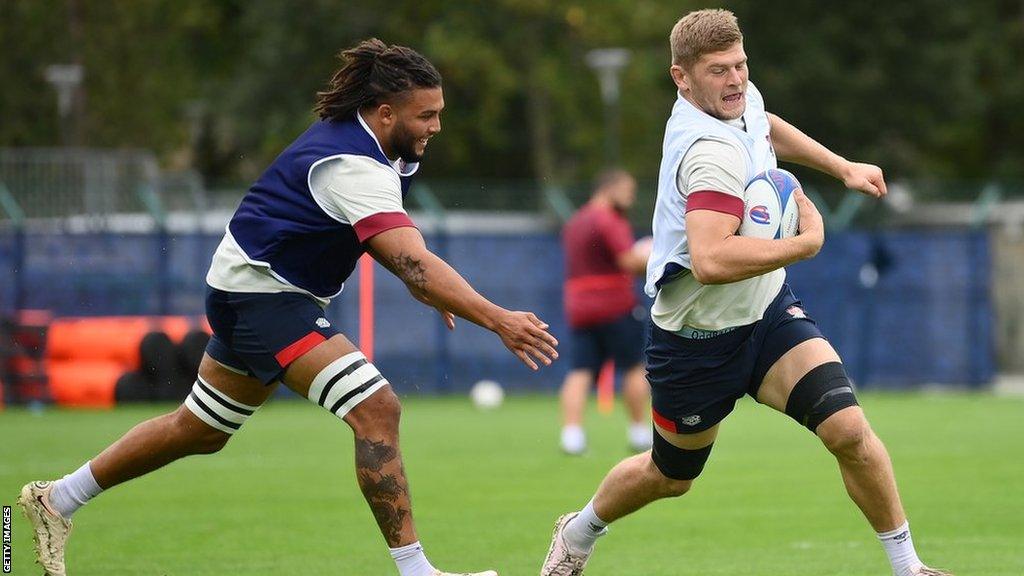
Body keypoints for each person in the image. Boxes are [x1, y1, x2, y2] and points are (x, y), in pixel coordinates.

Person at [19, 38, 558, 576]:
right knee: (377, 408)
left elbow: (397, 254)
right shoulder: (354, 165)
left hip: (251, 291)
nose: (437, 126)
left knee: (200, 429)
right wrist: (497, 319)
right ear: (386, 111)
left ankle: (58, 499)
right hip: (263, 296)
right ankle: (418, 572)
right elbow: (413, 265)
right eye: (428, 115)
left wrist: (439, 292)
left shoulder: (383, 151)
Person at [541, 10, 951, 576]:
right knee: (670, 477)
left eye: (740, 65)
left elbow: (765, 122)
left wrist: (842, 167)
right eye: (718, 71)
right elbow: (710, 261)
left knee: (849, 430)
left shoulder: (738, 99)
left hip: (766, 317)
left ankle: (910, 569)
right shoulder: (706, 153)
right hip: (694, 340)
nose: (735, 80)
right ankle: (579, 530)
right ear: (680, 78)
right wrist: (805, 246)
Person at [558, 168, 652, 455]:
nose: (631, 198)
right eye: (628, 190)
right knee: (634, 367)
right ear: (610, 187)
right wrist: (657, 263)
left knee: (580, 371)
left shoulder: (575, 221)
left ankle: (571, 436)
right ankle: (639, 433)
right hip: (614, 304)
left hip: (579, 307)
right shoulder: (609, 220)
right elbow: (628, 262)